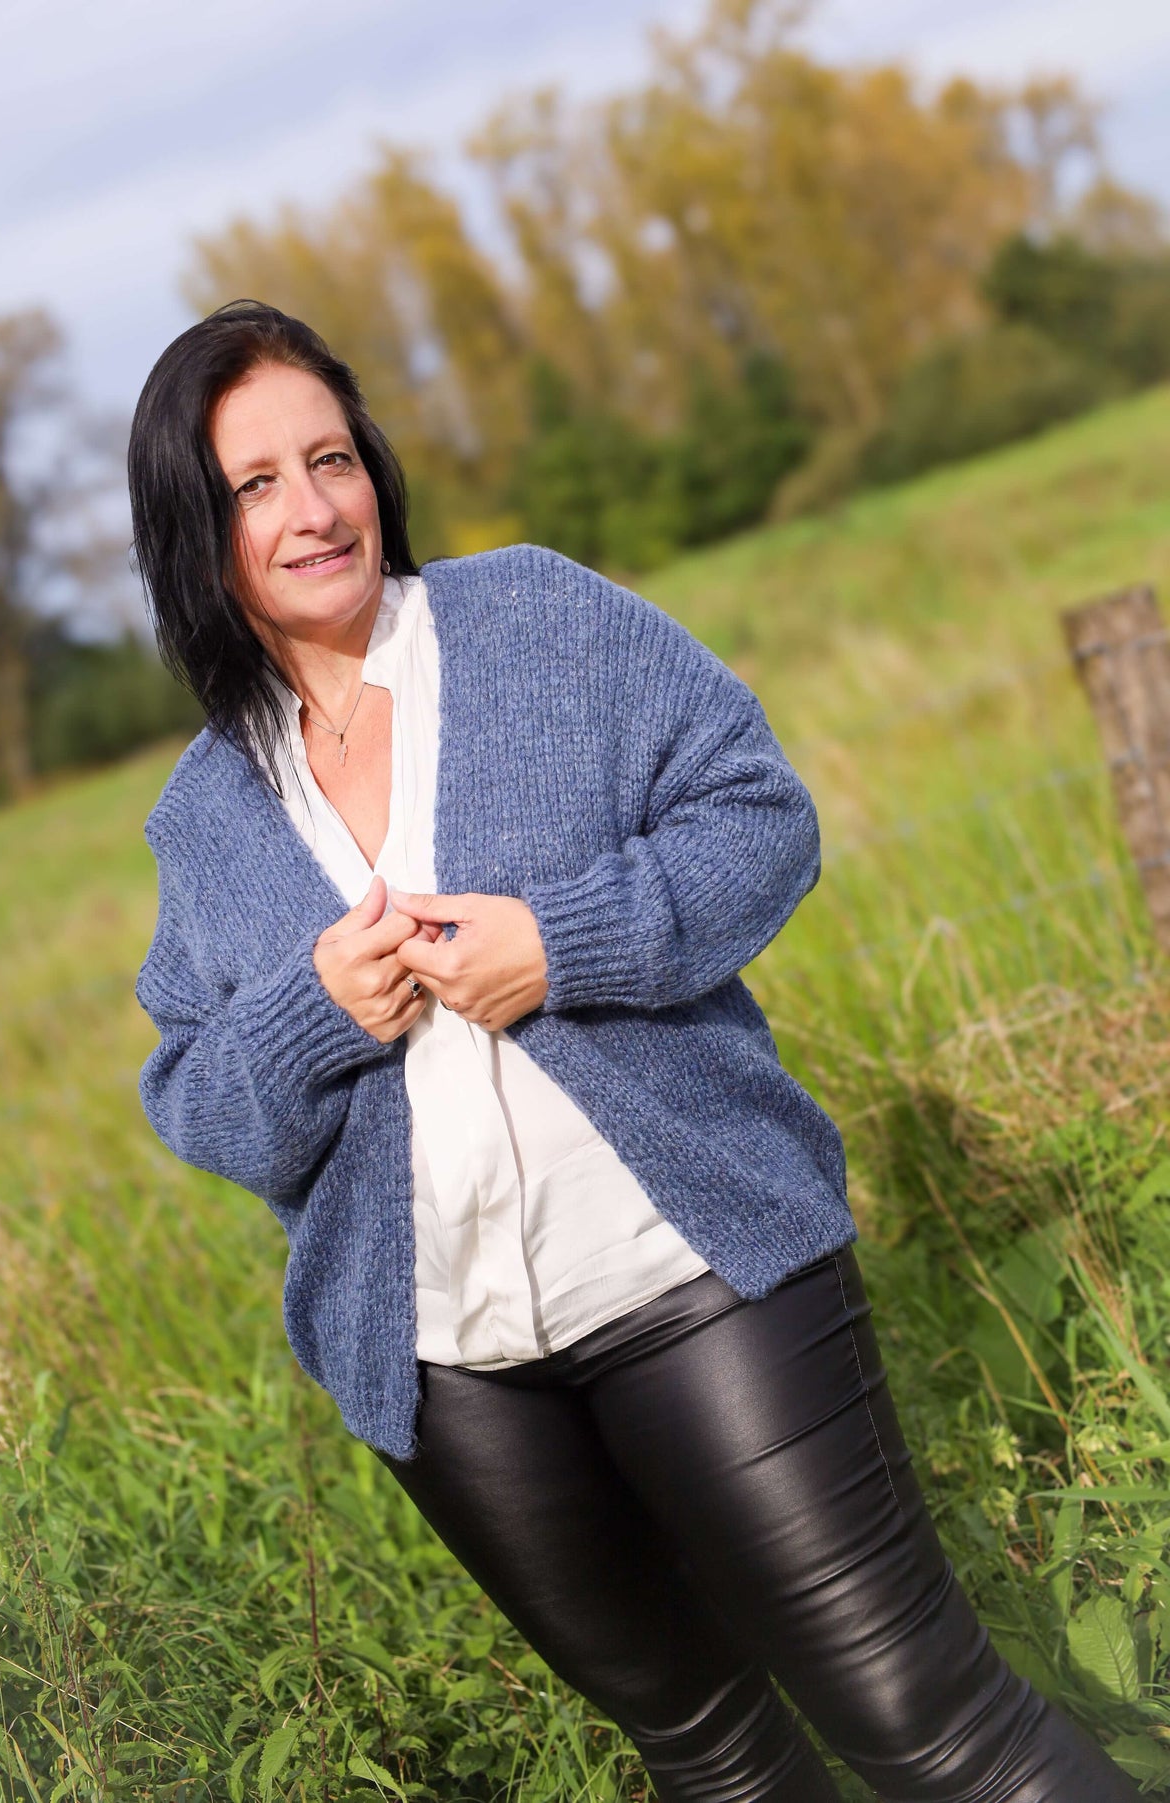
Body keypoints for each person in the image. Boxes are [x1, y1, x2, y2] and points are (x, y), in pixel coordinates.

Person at [129, 299, 1137, 1803]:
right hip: (451, 1376)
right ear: (194, 532)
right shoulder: (205, 817)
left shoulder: (537, 620)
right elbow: (196, 1099)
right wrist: (310, 1017)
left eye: (329, 457)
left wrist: (568, 940)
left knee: (927, 1729)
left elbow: (762, 823)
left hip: (699, 1280)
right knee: (712, 1763)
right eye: (256, 484)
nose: (315, 507)